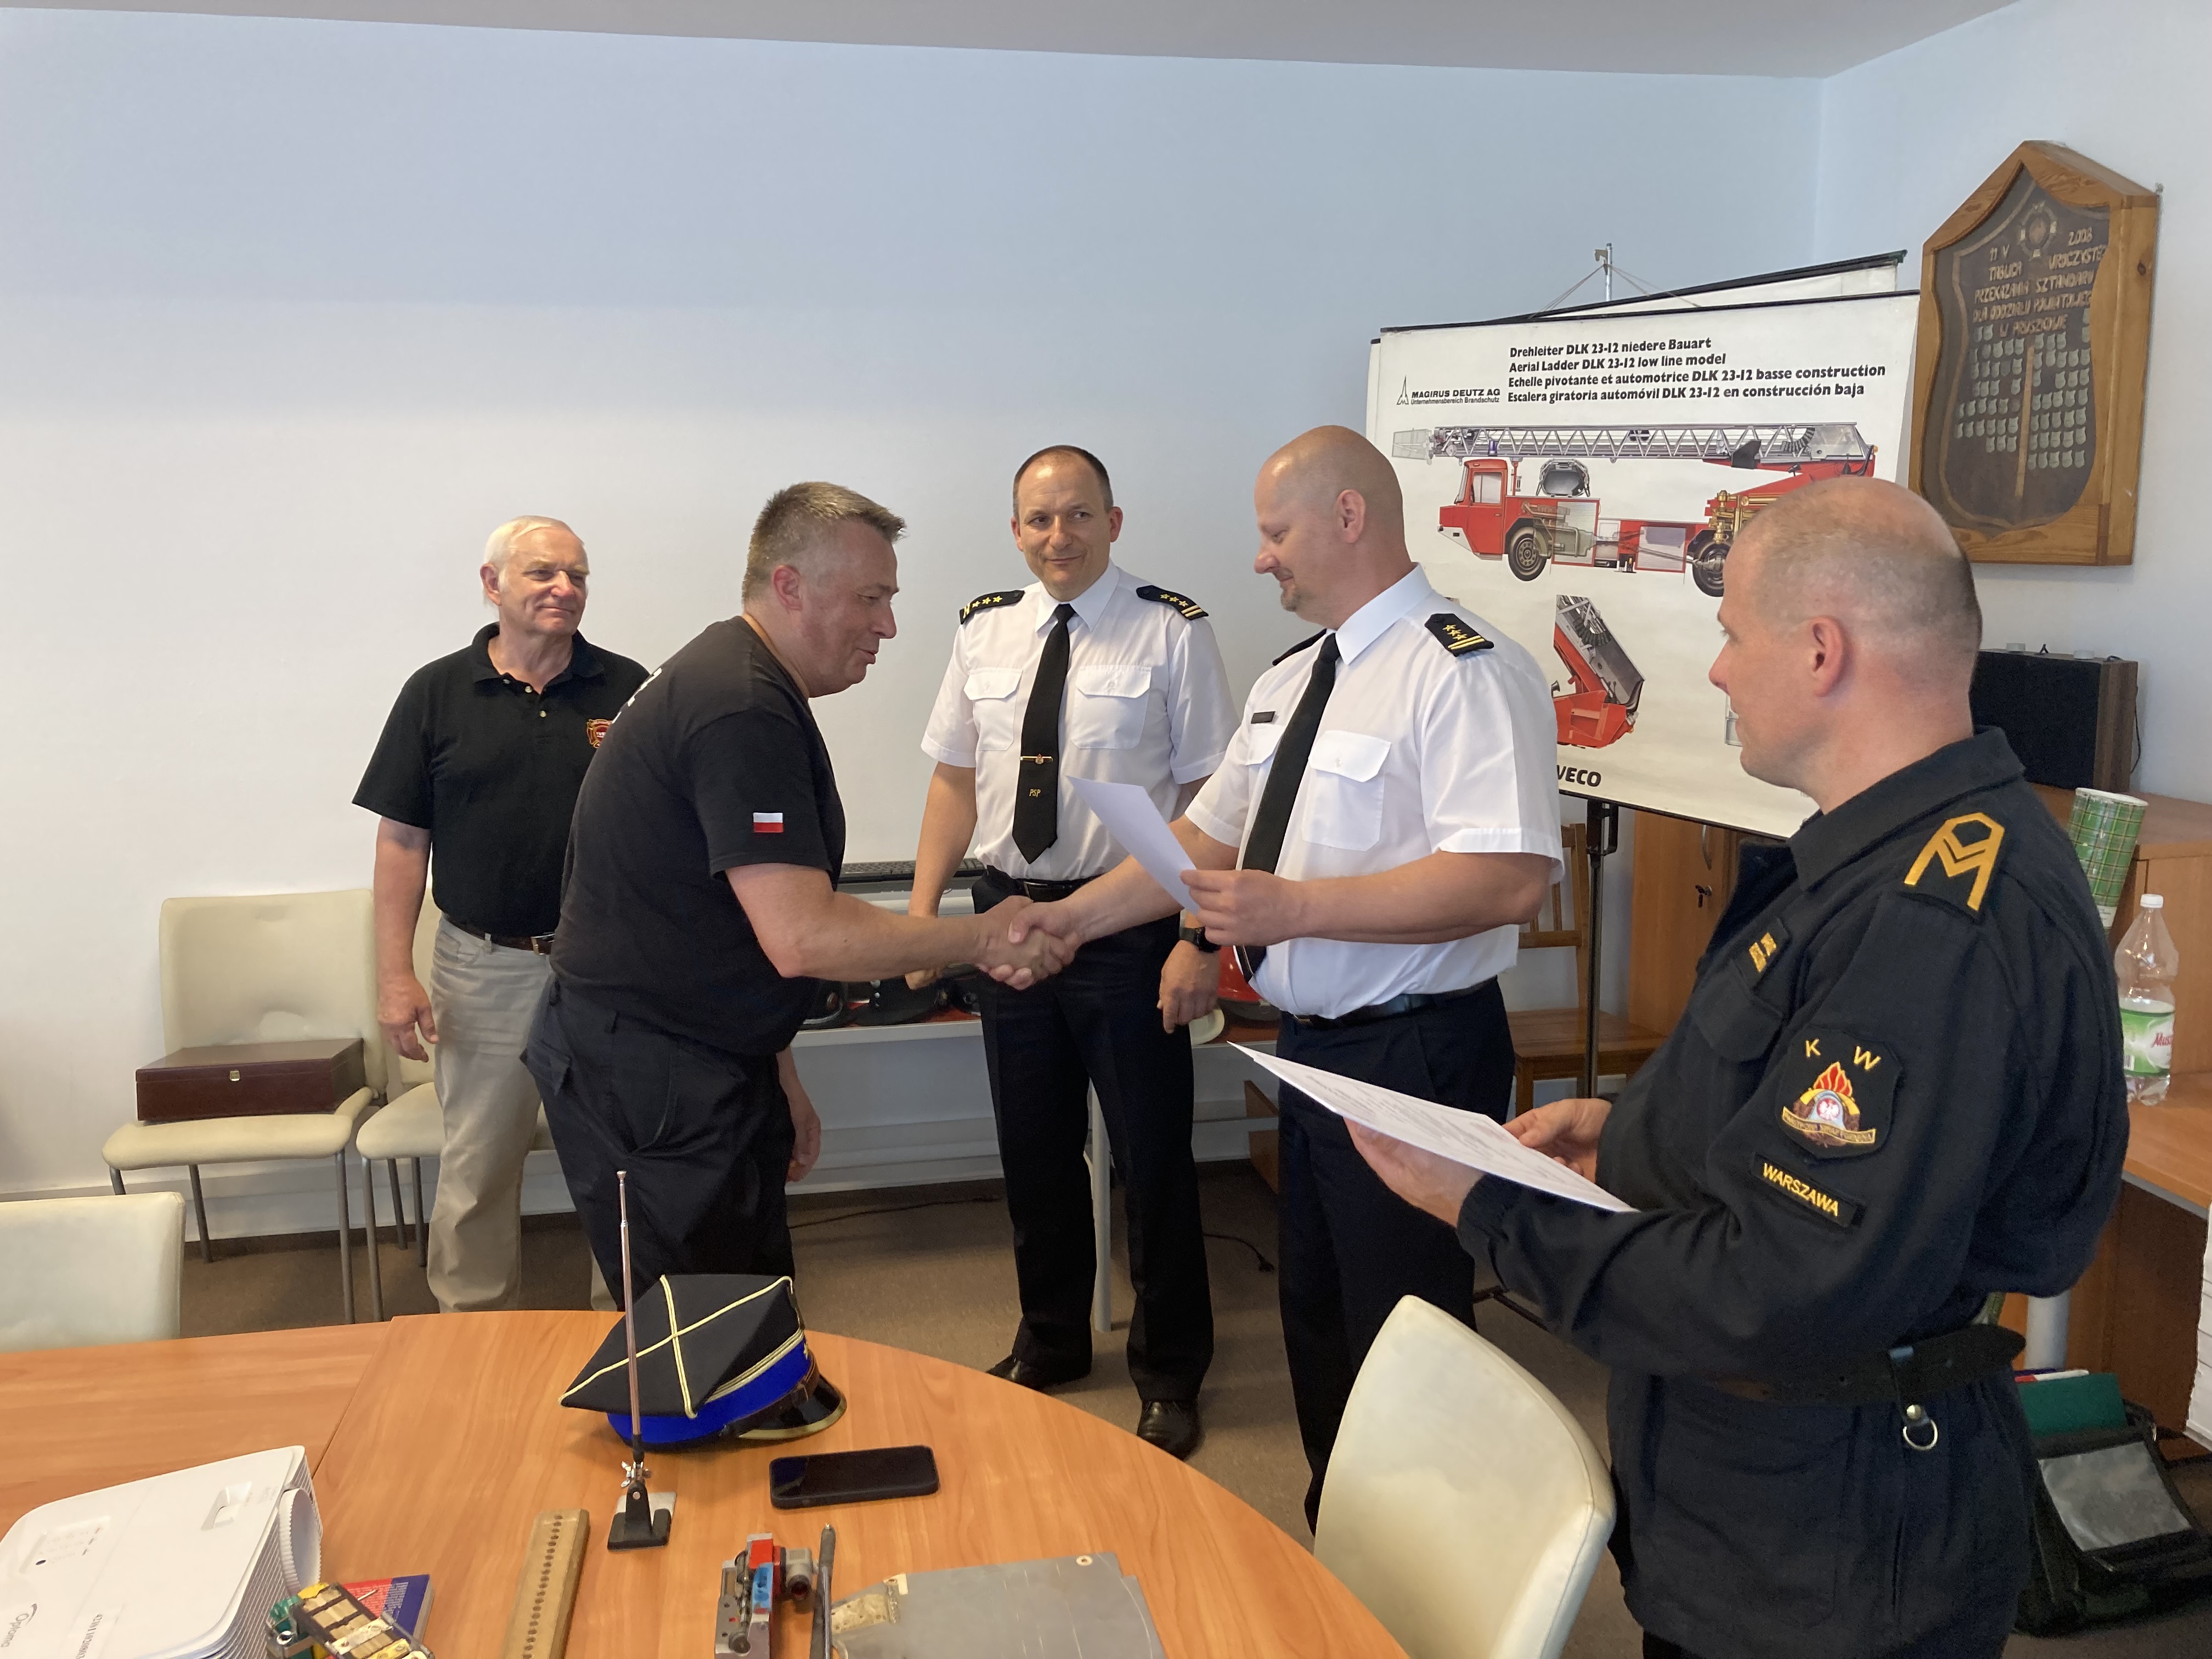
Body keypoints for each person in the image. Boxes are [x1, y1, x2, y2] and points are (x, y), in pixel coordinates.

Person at [1351, 477, 2129, 1659]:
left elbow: (1783, 1285)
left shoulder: (1936, 923)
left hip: (1829, 1553)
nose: (1717, 671)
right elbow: (1793, 1110)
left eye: (1730, 635)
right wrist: (1628, 1134)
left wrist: (1489, 1209)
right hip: (1758, 1507)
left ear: (1821, 651)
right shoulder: (1882, 863)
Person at [1013, 426, 1561, 1519]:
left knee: (1407, 1329)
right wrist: (1061, 923)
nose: (1261, 558)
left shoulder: (1464, 670)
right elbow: (1197, 845)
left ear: (1348, 518)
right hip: (1312, 1054)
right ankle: (1342, 1535)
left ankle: (1431, 1568)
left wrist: (1296, 908)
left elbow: (1507, 879)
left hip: (1416, 1049)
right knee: (1317, 1315)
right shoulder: (1291, 679)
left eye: (1276, 534)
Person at [524, 482, 1069, 1300]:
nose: (888, 625)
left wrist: (773, 1065)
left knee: (751, 1304)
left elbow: (729, 917)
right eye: (870, 598)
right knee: (703, 1329)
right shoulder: (739, 704)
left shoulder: (735, 675)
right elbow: (803, 934)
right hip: (655, 1068)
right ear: (790, 587)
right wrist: (985, 936)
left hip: (695, 1047)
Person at [906, 445, 1237, 1458]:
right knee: (1033, 1146)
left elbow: (1212, 803)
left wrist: (1198, 937)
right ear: (1016, 531)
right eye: (1040, 520)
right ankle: (1050, 1340)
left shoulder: (1172, 630)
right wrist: (922, 920)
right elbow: (954, 781)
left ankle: (1170, 1370)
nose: (1060, 536)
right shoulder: (983, 630)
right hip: (1007, 917)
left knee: (1151, 1155)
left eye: (1080, 515)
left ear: (1114, 522)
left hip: (1130, 927)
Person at [356, 516, 650, 1313]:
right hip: (483, 967)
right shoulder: (436, 693)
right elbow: (401, 843)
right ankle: (473, 1333)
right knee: (479, 1166)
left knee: (623, 1161)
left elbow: (665, 824)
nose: (564, 589)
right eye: (543, 572)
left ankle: (627, 1331)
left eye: (577, 575)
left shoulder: (628, 688)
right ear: (492, 585)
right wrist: (394, 978)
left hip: (607, 969)